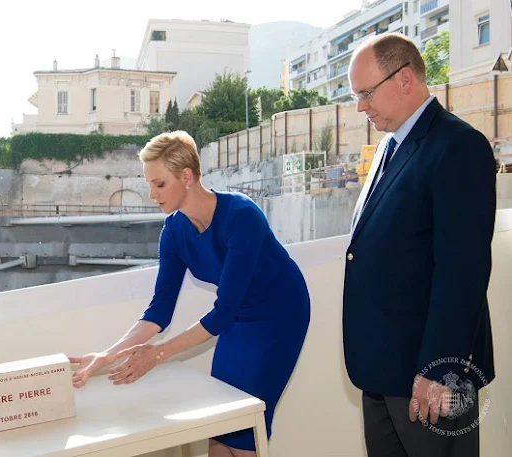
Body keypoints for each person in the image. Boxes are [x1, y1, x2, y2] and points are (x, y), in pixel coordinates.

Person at [69, 130, 310, 457]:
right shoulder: (173, 231)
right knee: (219, 425)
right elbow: (159, 310)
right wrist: (107, 355)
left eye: (159, 184)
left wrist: (158, 354)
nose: (152, 194)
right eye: (149, 184)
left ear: (186, 176)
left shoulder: (241, 216)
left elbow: (222, 311)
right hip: (237, 319)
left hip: (279, 317)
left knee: (244, 429)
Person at [343, 32, 496, 457]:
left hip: (428, 376)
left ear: (405, 78)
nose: (361, 106)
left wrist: (439, 370)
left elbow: (461, 273)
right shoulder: (388, 147)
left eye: (367, 93)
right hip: (381, 369)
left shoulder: (458, 147)